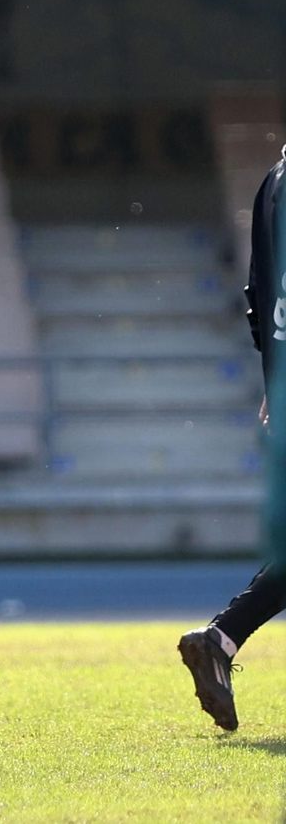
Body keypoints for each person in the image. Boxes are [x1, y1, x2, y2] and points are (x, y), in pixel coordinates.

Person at [179, 145, 286, 731]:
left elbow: (260, 293)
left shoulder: (273, 178)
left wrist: (276, 378)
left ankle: (219, 640)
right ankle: (220, 638)